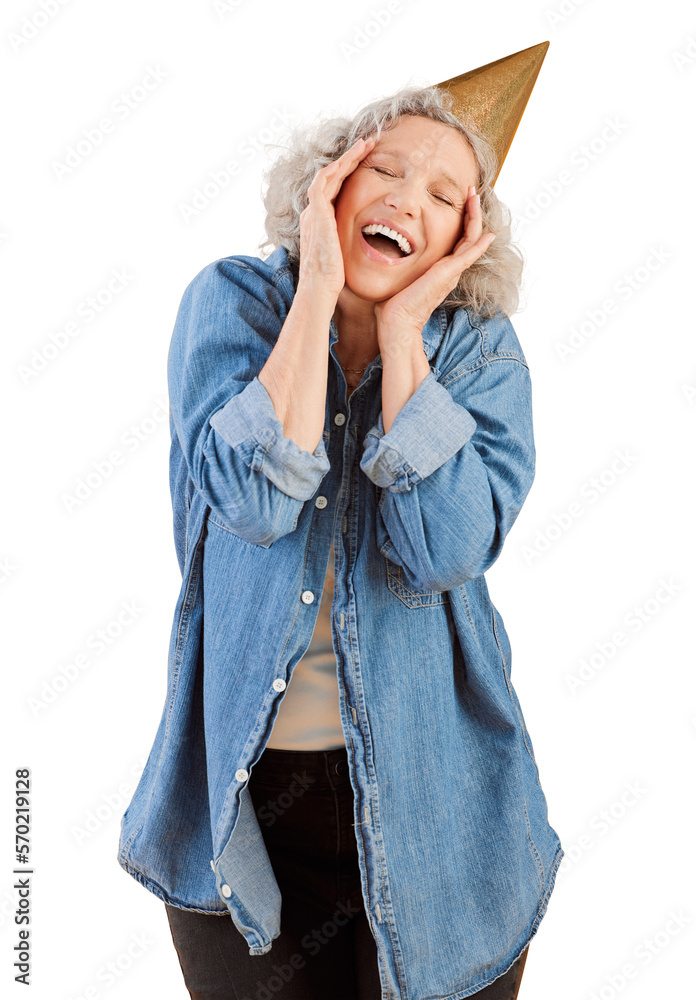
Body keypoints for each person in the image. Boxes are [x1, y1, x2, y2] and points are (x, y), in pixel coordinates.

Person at [118, 50, 563, 1000]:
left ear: (461, 241)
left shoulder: (480, 354)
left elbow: (444, 550)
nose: (408, 198)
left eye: (444, 194)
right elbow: (252, 500)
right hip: (242, 813)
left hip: (441, 813)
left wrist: (403, 341)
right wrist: (317, 290)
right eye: (387, 169)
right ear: (333, 182)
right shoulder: (234, 304)